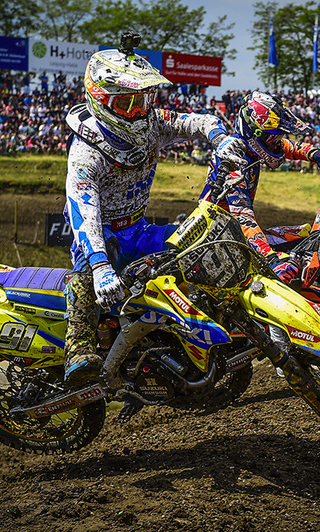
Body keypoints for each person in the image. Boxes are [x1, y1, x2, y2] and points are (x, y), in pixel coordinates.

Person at [61, 32, 229, 386]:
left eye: (145, 99)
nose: (139, 111)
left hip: (138, 228)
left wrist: (220, 137)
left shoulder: (151, 121)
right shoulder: (86, 152)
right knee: (85, 281)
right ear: (102, 100)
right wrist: (100, 265)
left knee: (198, 244)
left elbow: (195, 121)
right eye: (128, 103)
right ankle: (77, 349)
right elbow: (83, 211)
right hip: (101, 236)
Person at [199, 90, 320, 283]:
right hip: (216, 245)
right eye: (273, 138)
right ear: (255, 134)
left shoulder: (249, 149)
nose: (277, 143)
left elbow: (288, 147)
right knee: (290, 261)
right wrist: (271, 260)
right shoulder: (233, 160)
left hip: (235, 235)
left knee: (306, 235)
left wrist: (316, 154)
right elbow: (243, 218)